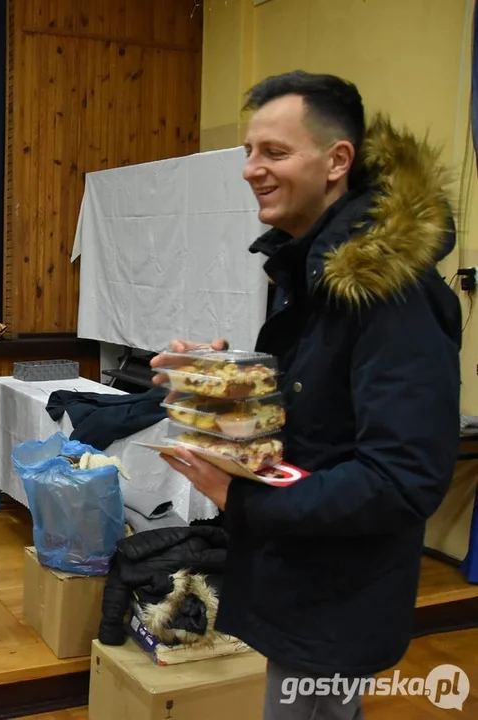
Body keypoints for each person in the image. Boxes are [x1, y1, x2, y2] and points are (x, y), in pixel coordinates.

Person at [151, 71, 461, 719]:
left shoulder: (388, 291)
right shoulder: (313, 270)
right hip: (303, 579)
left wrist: (244, 499)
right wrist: (228, 388)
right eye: (247, 152)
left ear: (336, 161)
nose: (250, 170)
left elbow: (400, 478)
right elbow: (316, 419)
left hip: (337, 602)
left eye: (273, 152)